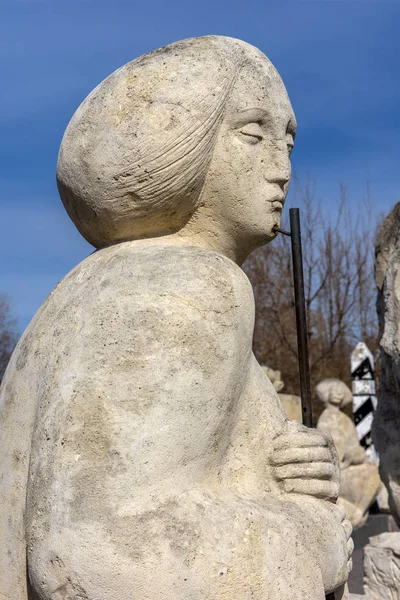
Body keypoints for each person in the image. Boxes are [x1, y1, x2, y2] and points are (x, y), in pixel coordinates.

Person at [0, 36, 352, 600]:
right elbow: (104, 548)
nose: (282, 167)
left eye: (288, 140)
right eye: (253, 134)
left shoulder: (92, 286)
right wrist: (314, 536)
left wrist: (277, 470)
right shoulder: (193, 281)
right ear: (177, 143)